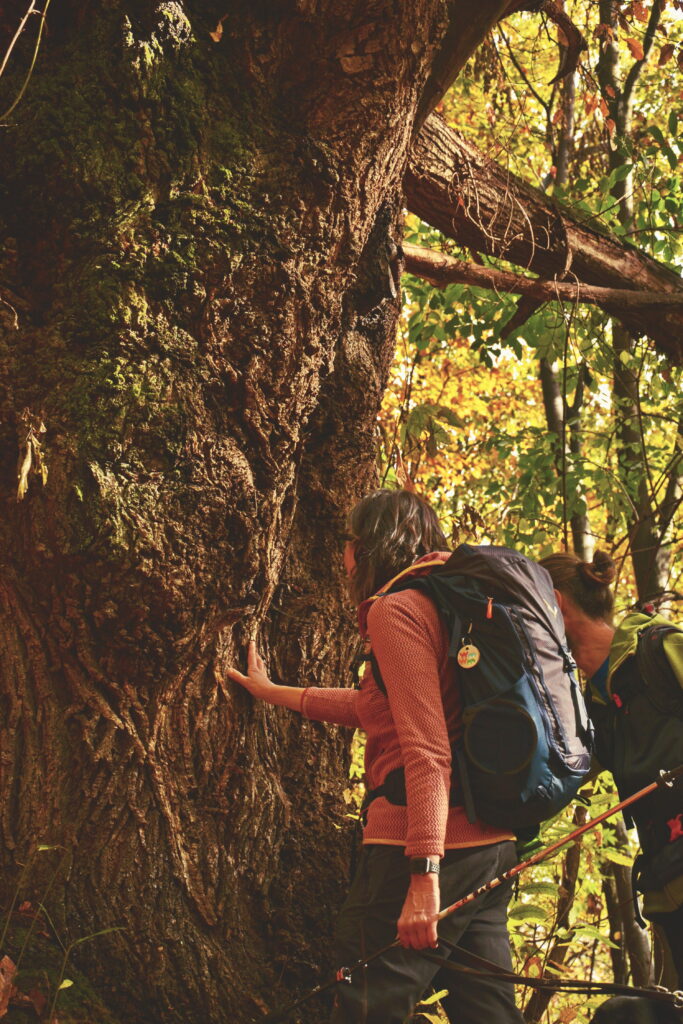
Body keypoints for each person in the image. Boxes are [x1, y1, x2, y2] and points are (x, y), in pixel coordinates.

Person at [227, 489, 525, 1024]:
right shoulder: (446, 604)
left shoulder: (398, 610)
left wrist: (423, 875)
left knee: (367, 998)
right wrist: (275, 693)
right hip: (491, 843)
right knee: (489, 1013)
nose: (342, 558)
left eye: (348, 544)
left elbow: (428, 750)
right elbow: (382, 708)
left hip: (422, 842)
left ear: (369, 548)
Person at [539, 550, 683, 989]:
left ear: (557, 605)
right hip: (668, 891)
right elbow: (553, 786)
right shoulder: (588, 708)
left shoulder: (659, 648)